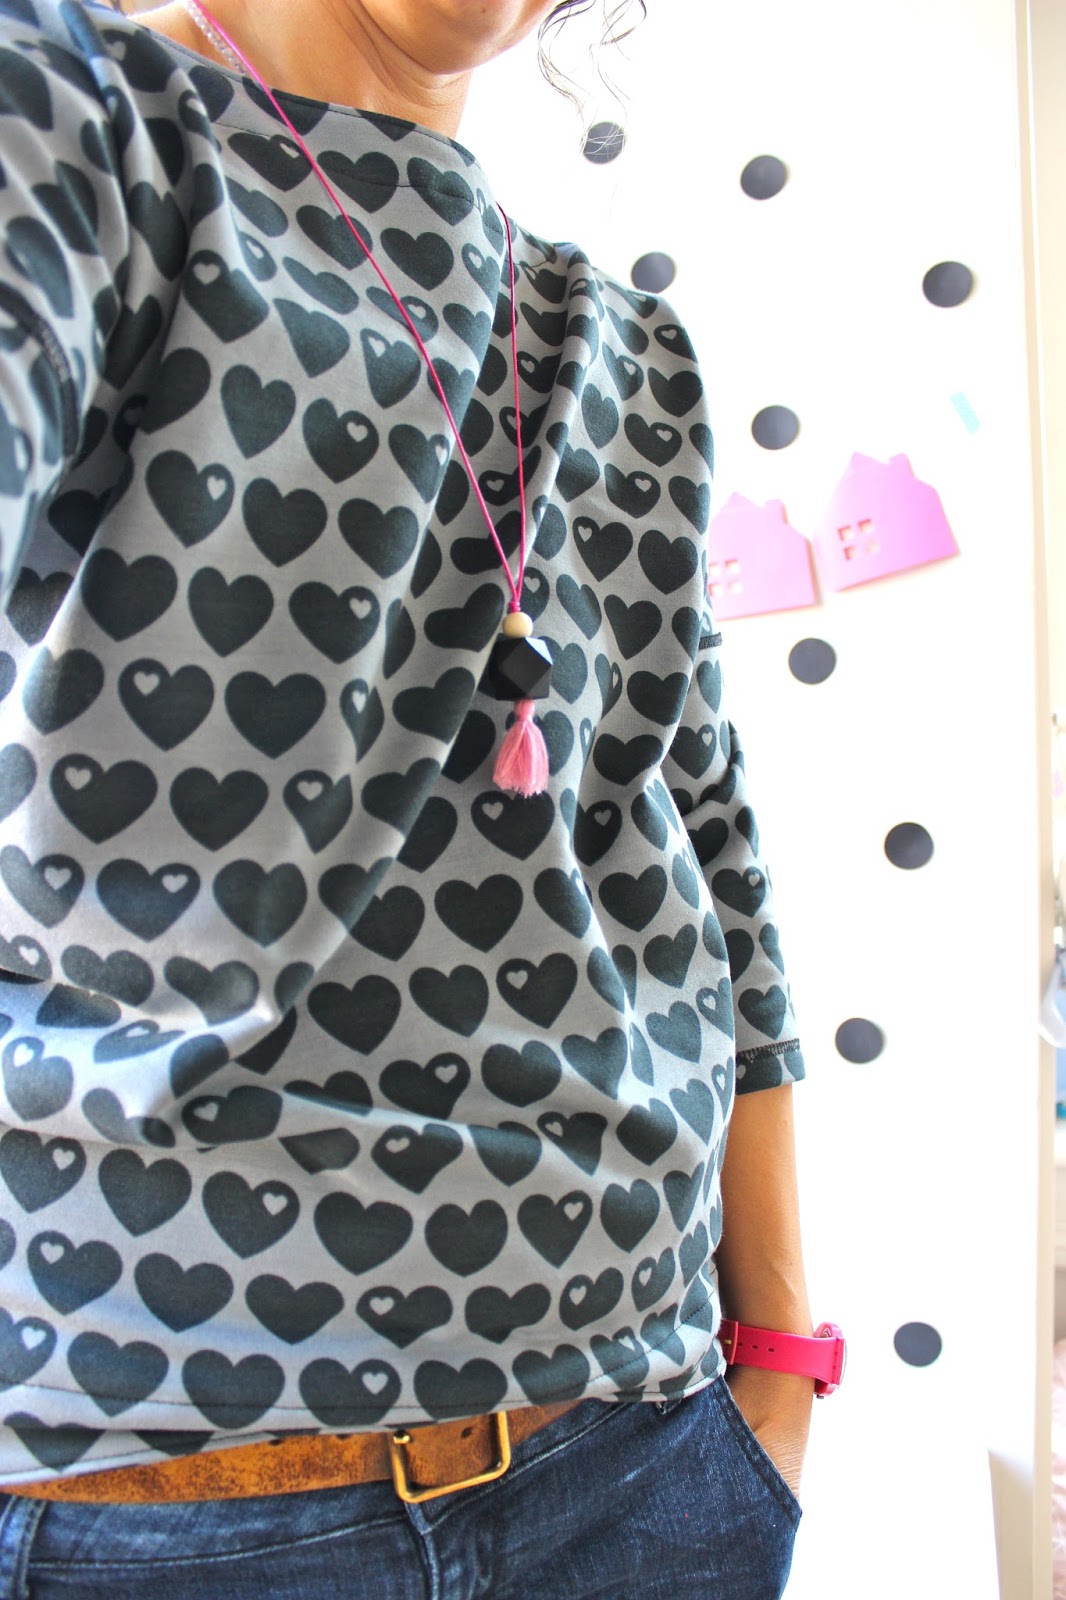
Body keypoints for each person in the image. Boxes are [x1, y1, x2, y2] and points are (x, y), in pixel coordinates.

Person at [0, 0, 841, 1594]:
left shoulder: (625, 346)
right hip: (154, 1494)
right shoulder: (80, 126)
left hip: (643, 1456)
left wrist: (783, 1367)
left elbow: (712, 861)